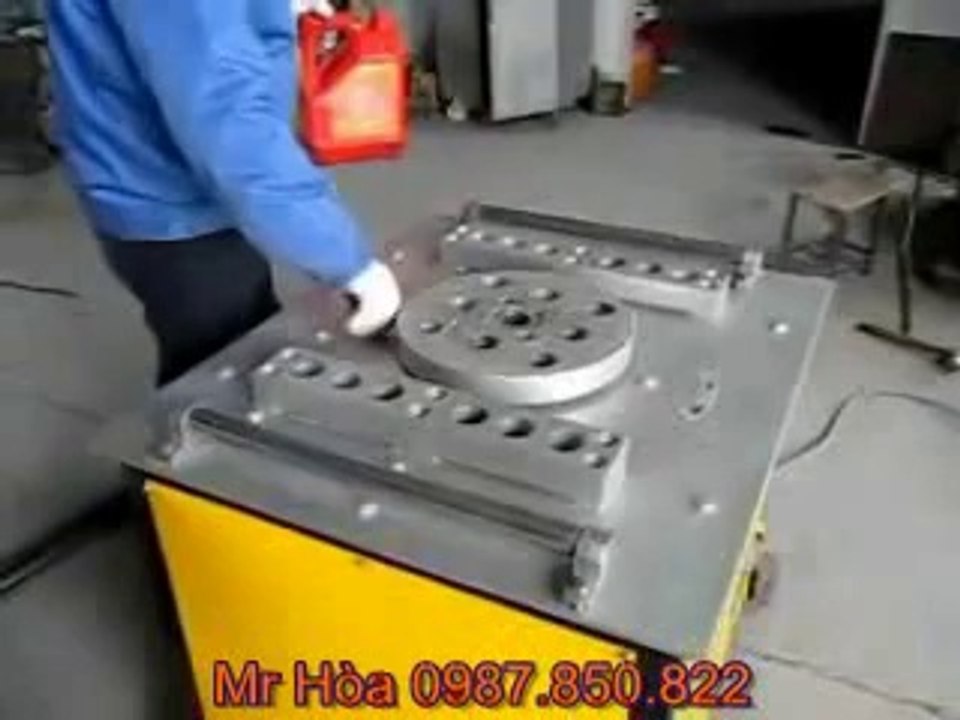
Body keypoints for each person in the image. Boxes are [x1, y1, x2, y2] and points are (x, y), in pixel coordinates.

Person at [45, 0, 402, 386]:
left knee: (232, 347)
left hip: (147, 177)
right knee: (224, 380)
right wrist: (347, 260)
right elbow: (229, 122)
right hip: (173, 206)